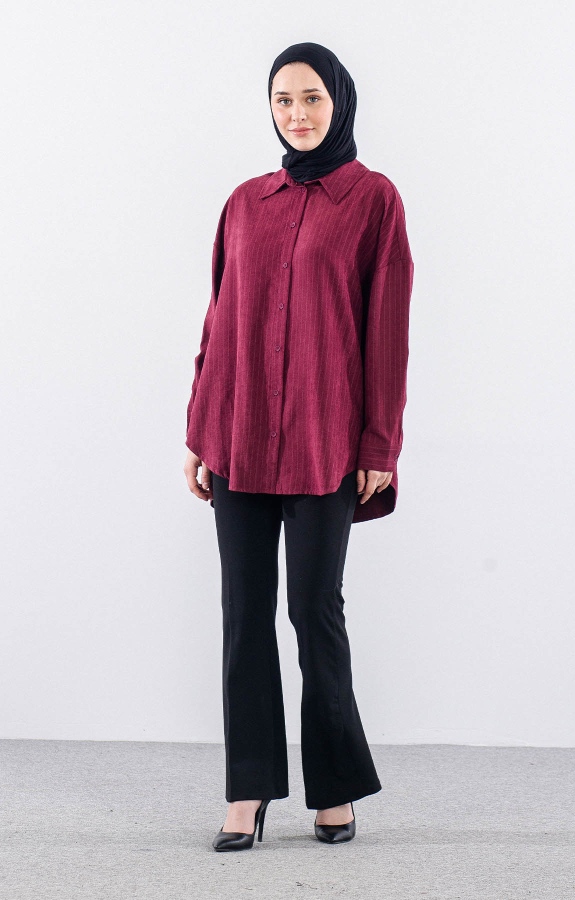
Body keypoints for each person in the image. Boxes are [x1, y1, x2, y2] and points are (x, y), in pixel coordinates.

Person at [183, 41, 414, 851]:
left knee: (314, 611)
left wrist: (380, 442)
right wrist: (199, 429)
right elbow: (220, 322)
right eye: (283, 100)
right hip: (239, 435)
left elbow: (387, 331)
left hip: (325, 441)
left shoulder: (374, 200)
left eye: (312, 97)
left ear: (339, 101)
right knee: (244, 614)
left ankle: (335, 786)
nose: (298, 114)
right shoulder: (246, 202)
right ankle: (248, 789)